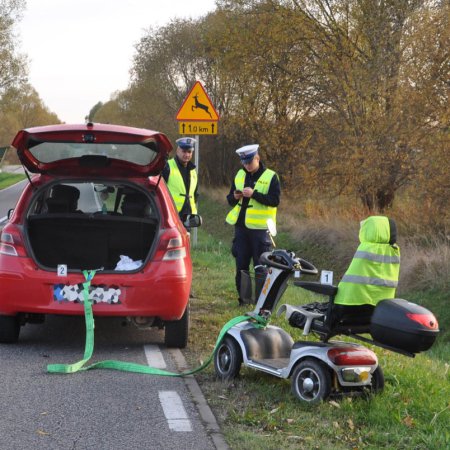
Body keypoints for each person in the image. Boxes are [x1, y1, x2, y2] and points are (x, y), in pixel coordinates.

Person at [226, 144, 281, 306]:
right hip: (241, 229)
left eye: (249, 162)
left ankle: (260, 302)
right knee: (241, 265)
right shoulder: (239, 175)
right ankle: (244, 300)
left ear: (257, 158)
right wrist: (235, 197)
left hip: (260, 231)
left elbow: (275, 201)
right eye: (244, 163)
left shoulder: (271, 176)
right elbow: (229, 199)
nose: (246, 166)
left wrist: (254, 194)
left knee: (261, 267)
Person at [162, 137, 198, 221]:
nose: (187, 155)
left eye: (189, 152)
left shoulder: (193, 171)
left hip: (188, 217)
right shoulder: (168, 167)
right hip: (171, 215)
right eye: (184, 151)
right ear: (178, 151)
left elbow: (195, 194)